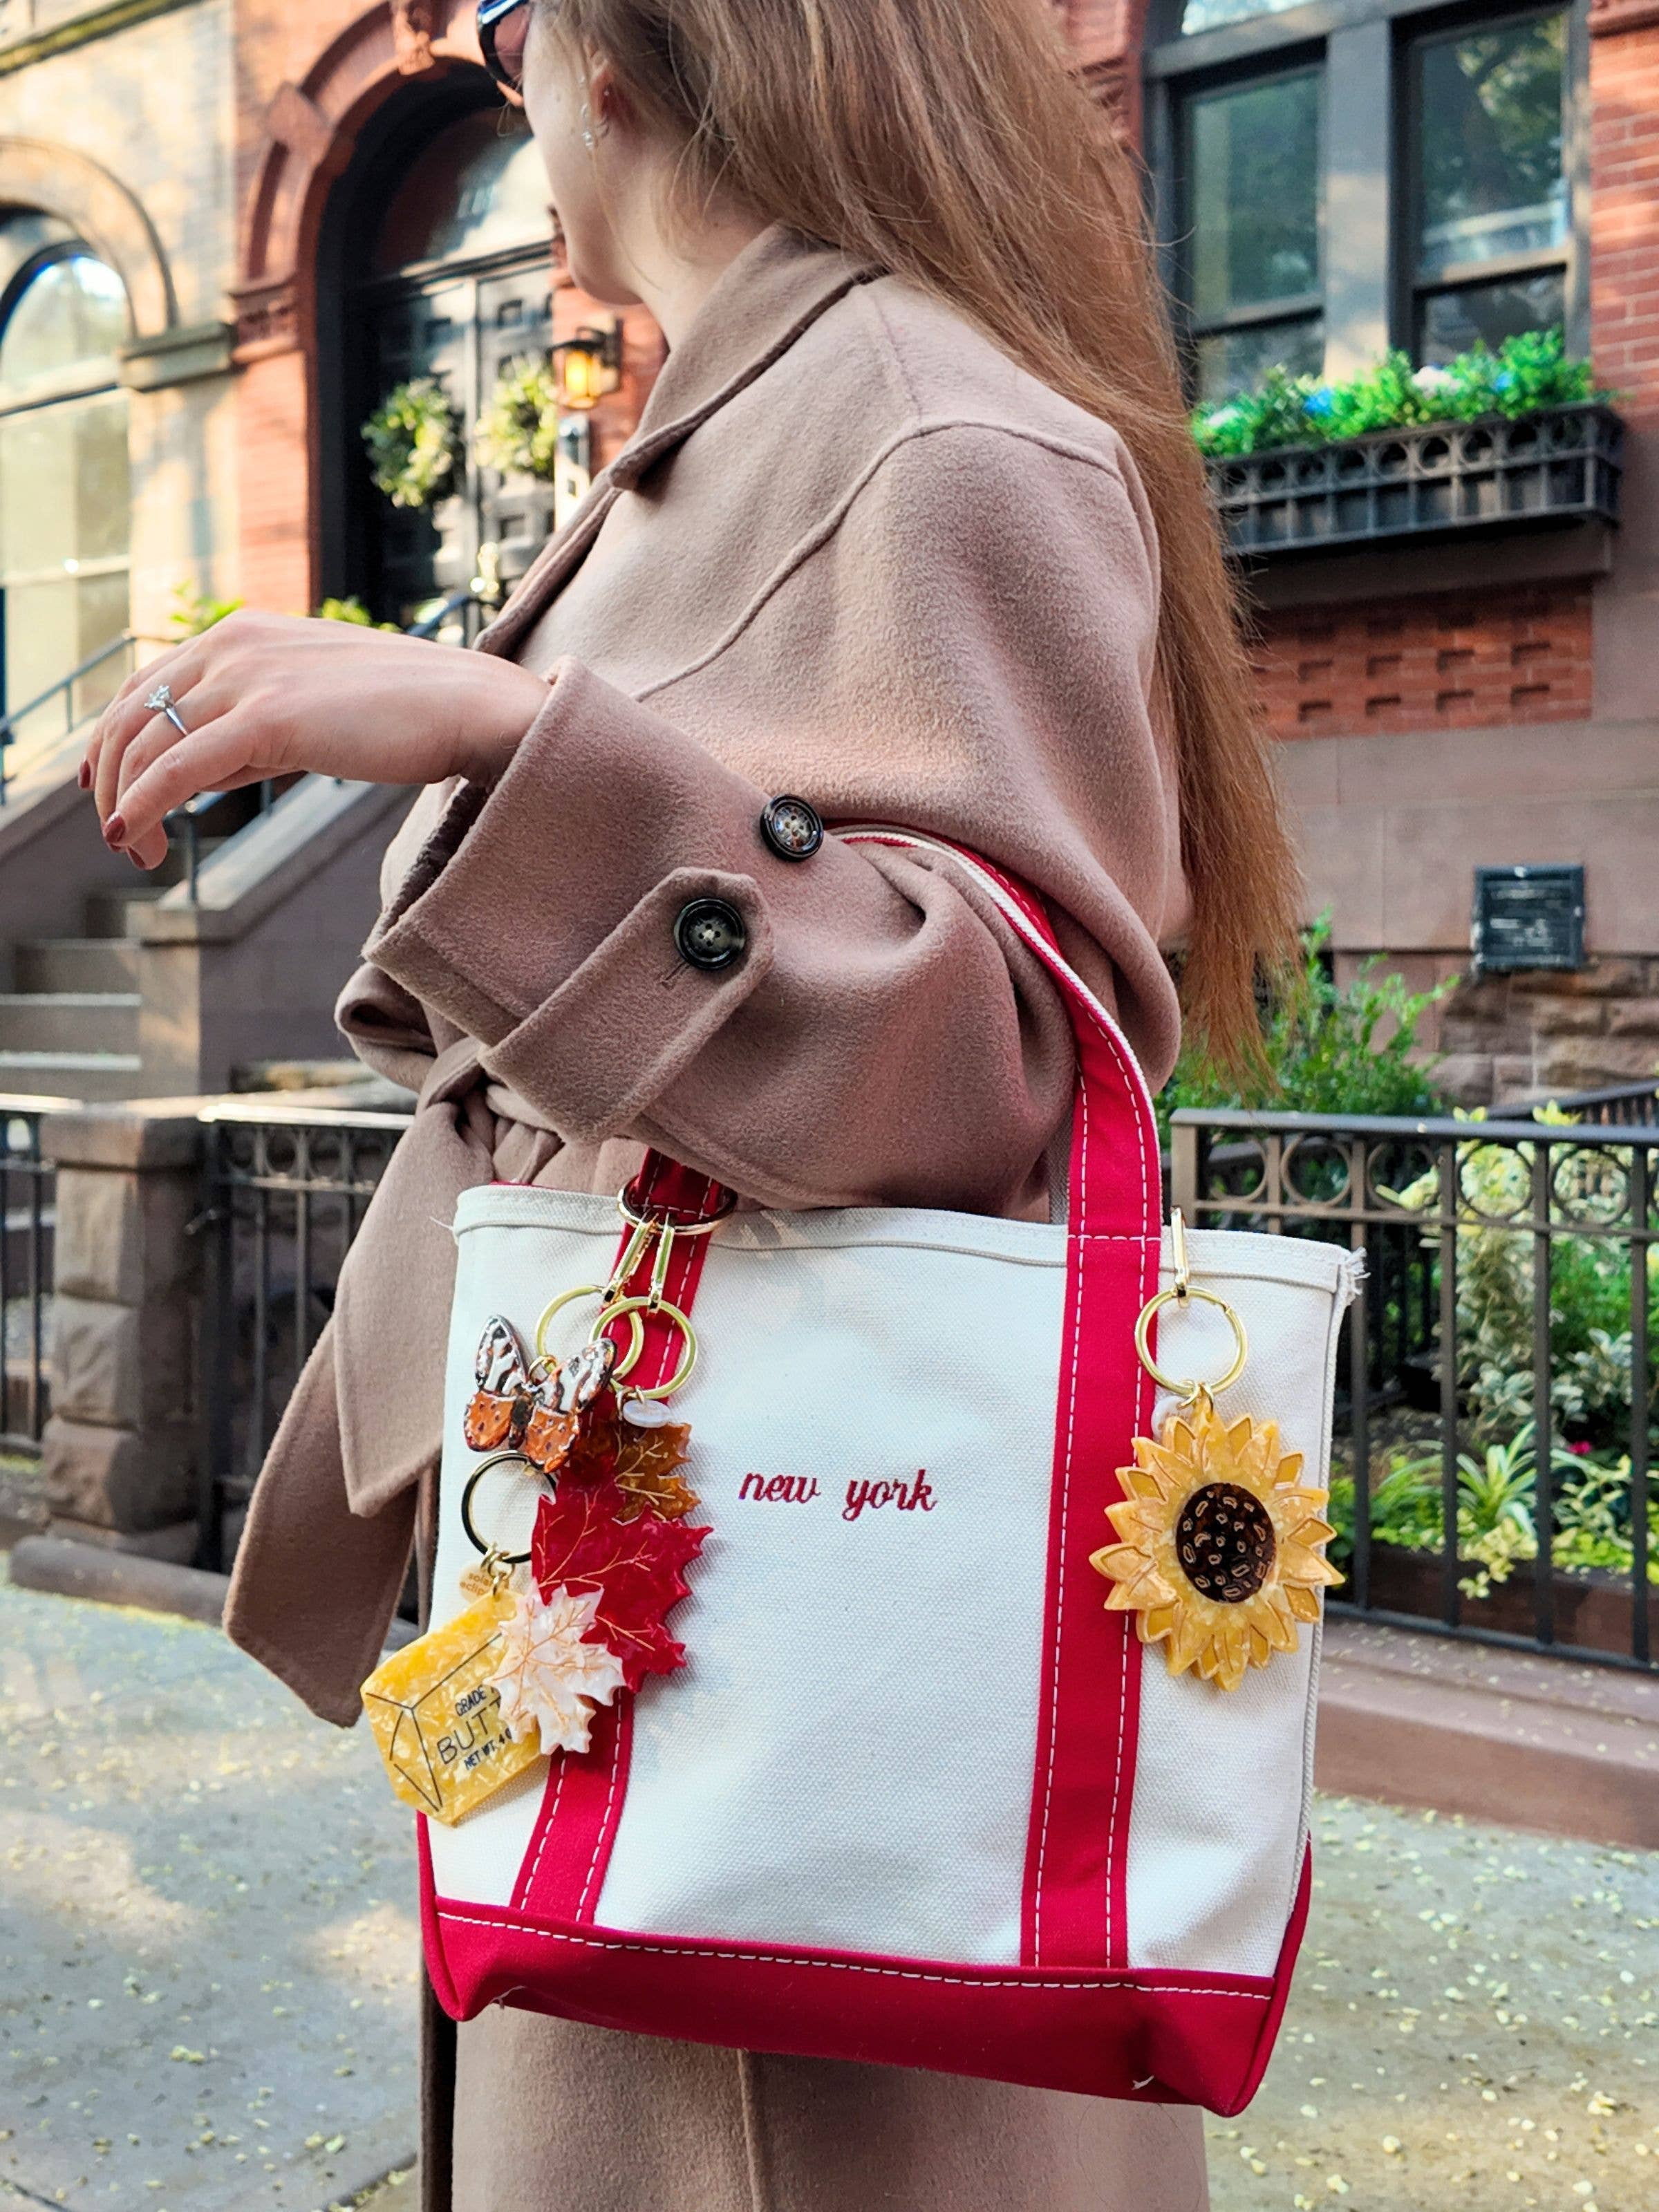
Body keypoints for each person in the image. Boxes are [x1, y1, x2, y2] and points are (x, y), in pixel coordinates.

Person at [83, 2, 1300, 2206]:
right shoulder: (753, 413)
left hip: (804, 1626)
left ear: (621, 56)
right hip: (674, 1556)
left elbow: (1003, 1054)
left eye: (502, 24)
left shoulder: (925, 423)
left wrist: (499, 734)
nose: (502, 79)